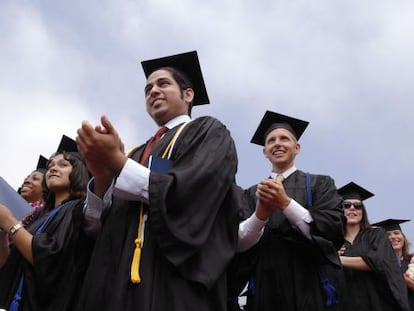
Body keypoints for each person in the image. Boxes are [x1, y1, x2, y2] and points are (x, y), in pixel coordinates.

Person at [75, 50, 241, 311]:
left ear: (188, 94)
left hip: (173, 283)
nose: (153, 91)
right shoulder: (134, 153)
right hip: (114, 285)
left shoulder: (209, 132)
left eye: (163, 84)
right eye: (148, 88)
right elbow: (95, 228)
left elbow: (192, 196)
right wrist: (101, 177)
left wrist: (117, 163)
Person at [230, 110, 346, 311]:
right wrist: (260, 216)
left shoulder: (320, 184)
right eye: (271, 140)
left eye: (285, 139)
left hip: (308, 281)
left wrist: (286, 204)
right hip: (264, 283)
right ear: (265, 151)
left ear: (297, 148)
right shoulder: (250, 194)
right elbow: (237, 242)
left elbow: (332, 231)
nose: (277, 143)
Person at [0, 135, 92, 311]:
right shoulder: (36, 218)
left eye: (63, 165)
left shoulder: (78, 210)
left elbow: (49, 258)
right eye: (51, 166)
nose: (53, 169)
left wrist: (10, 223)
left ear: (79, 171)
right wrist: (3, 230)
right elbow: (5, 264)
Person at [337, 182, 409, 311]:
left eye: (358, 206)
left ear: (362, 212)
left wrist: (336, 259)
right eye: (346, 205)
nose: (352, 208)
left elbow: (379, 261)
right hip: (346, 301)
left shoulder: (376, 234)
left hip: (378, 301)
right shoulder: (333, 240)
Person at [372, 218, 414, 310]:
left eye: (396, 233)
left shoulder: (412, 261)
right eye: (387, 235)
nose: (393, 237)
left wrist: (408, 282)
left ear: (403, 237)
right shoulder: (376, 264)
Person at [18, 155, 48, 227]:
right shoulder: (16, 214)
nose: (26, 181)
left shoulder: (45, 215)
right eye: (26, 178)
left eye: (35, 179)